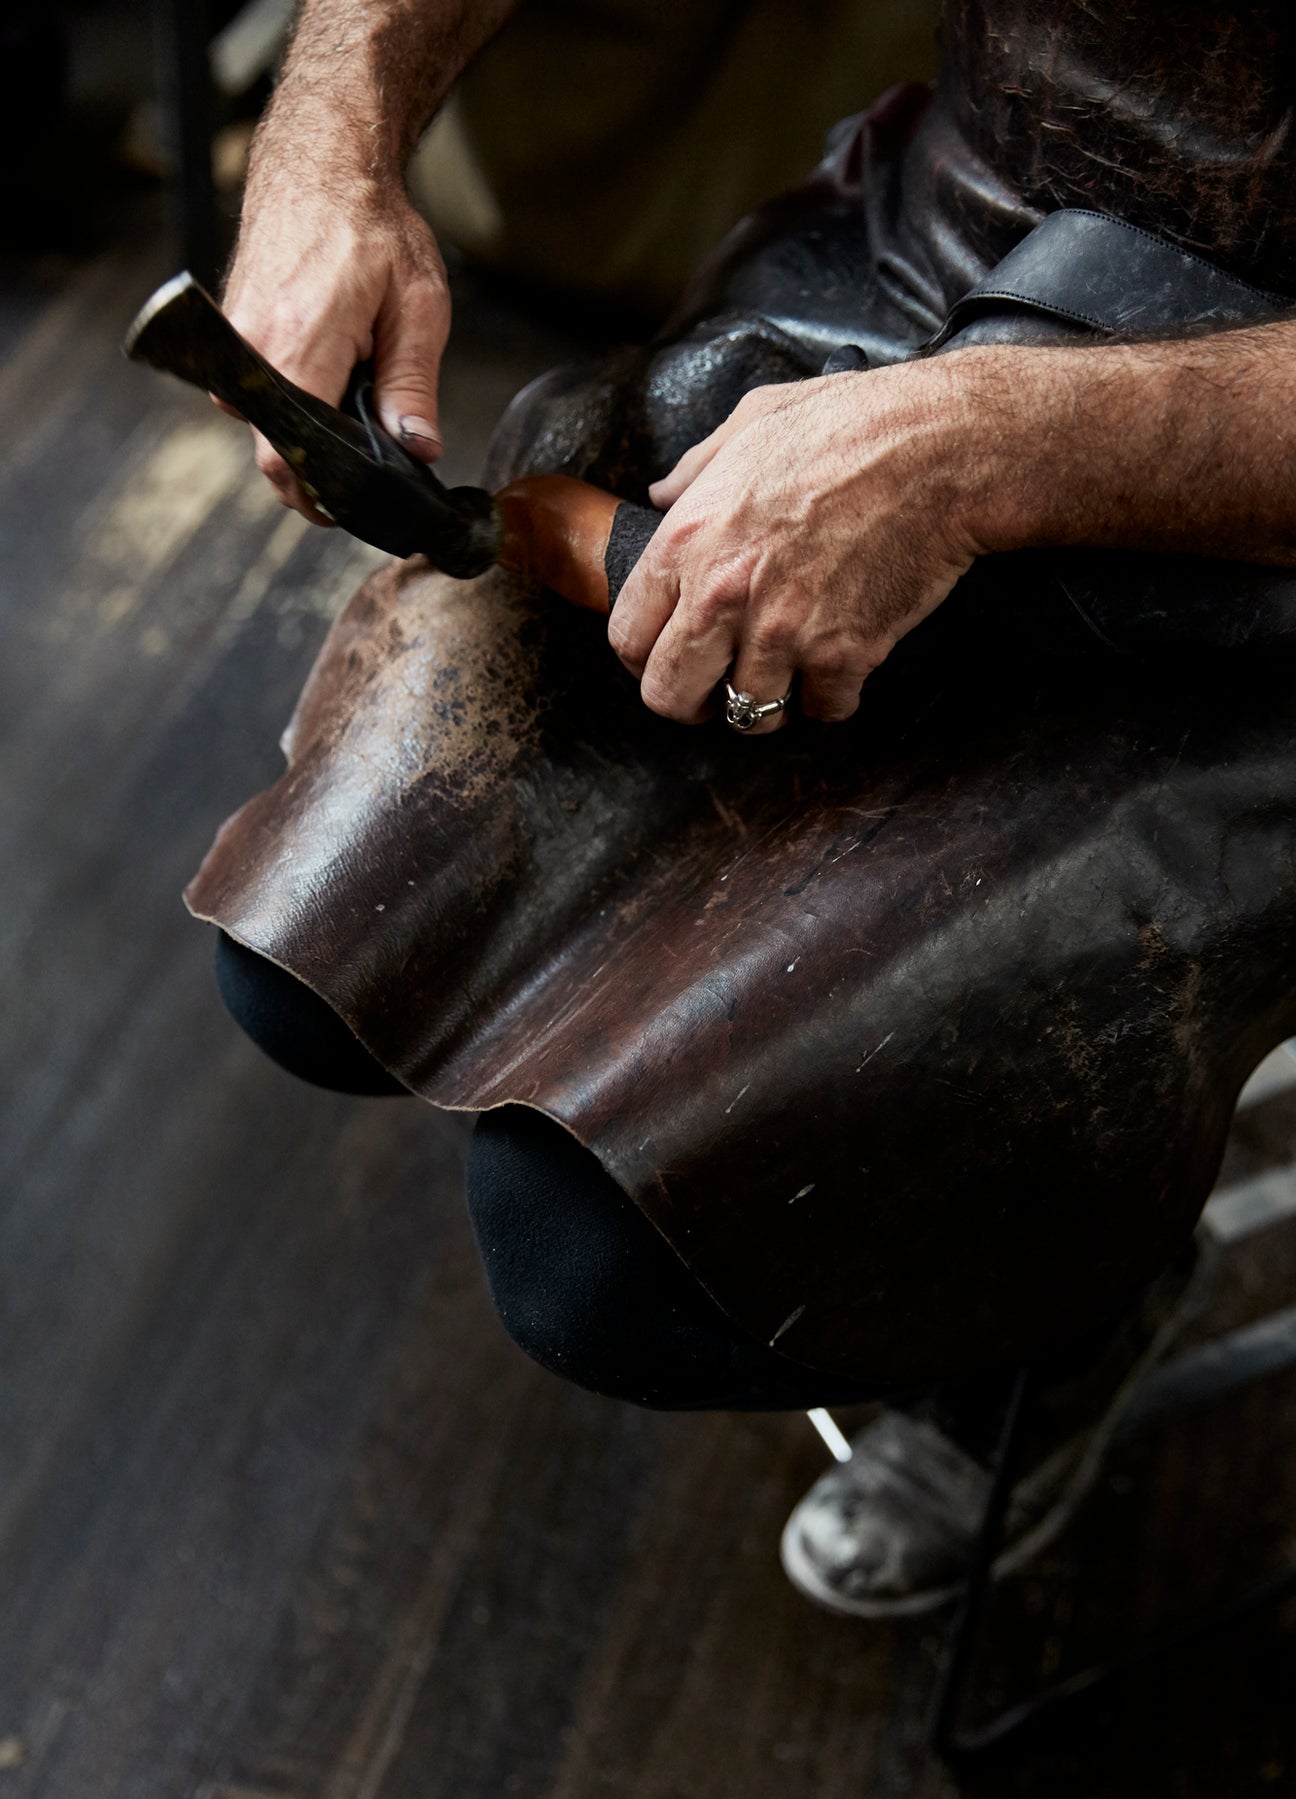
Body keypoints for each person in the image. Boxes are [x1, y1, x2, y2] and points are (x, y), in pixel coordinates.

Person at [201, 0, 1296, 1616]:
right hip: (941, 262)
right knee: (324, 953)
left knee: (601, 1268)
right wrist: (333, 142)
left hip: (1250, 531)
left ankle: (1062, 1322)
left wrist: (973, 455)